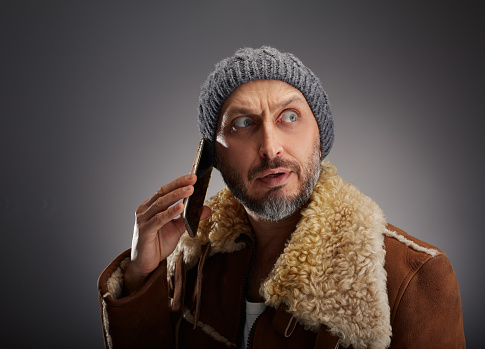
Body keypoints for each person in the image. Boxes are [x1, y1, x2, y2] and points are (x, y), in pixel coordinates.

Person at [97, 46, 465, 349]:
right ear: (215, 158)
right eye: (243, 123)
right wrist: (139, 275)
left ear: (319, 140)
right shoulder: (192, 257)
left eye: (290, 116)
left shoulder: (413, 278)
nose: (271, 148)